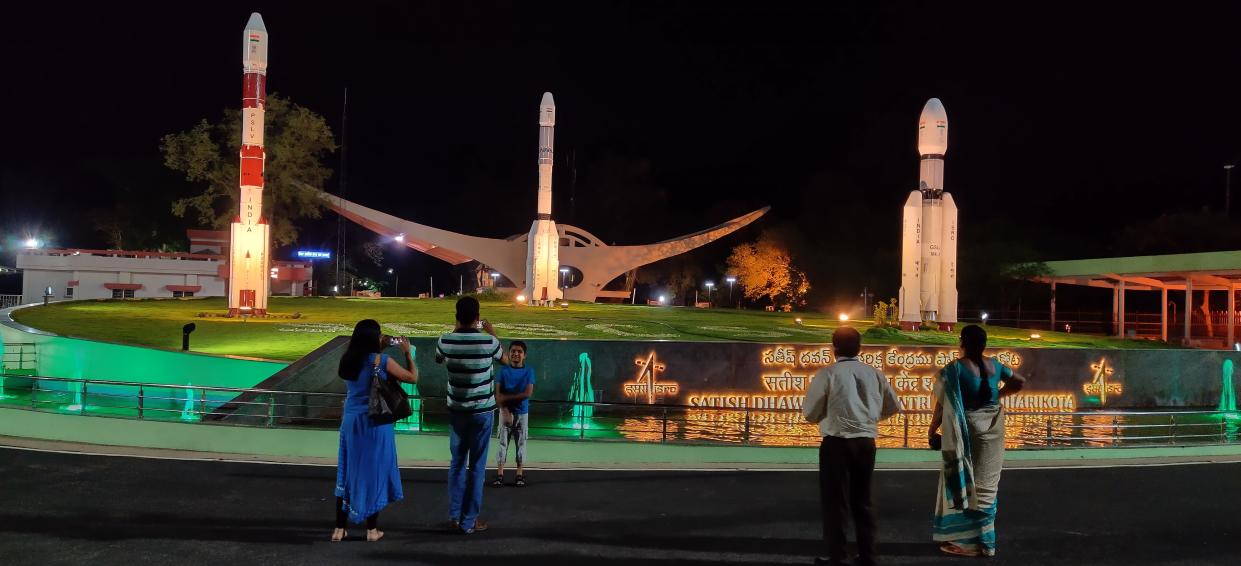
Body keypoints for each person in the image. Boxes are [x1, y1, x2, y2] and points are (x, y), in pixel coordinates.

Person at [803, 326, 901, 566]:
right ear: (860, 348)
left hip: (836, 443)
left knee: (835, 501)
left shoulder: (828, 374)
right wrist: (869, 417)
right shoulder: (874, 373)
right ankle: (867, 554)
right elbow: (893, 405)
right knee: (863, 499)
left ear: (833, 347)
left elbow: (810, 412)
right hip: (866, 442)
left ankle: (836, 554)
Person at [928, 324, 1026, 558]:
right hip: (994, 428)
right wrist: (998, 395)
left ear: (962, 342)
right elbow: (1019, 381)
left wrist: (932, 430)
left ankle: (968, 543)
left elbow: (943, 403)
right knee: (987, 485)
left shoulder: (955, 369)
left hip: (968, 429)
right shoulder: (996, 366)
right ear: (984, 344)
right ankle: (985, 541)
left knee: (967, 482)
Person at [332, 319, 418, 542]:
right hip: (376, 423)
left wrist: (380, 347)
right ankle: (372, 530)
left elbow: (366, 364)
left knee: (348, 471)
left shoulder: (347, 360)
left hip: (351, 422)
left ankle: (339, 529)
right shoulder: (383, 361)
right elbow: (412, 377)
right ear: (374, 338)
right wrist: (408, 353)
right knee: (375, 473)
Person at [435, 296, 507, 534]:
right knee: (476, 467)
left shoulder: (444, 341)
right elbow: (505, 360)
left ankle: (455, 516)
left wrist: (457, 328)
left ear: (456, 315)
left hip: (457, 411)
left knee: (457, 464)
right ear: (477, 317)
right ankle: (469, 522)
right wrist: (492, 331)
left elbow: (439, 360)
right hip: (482, 413)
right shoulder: (488, 342)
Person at [492, 340, 535, 487]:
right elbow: (498, 395)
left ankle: (519, 475)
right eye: (513, 351)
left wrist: (506, 399)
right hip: (505, 413)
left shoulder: (529, 371)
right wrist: (504, 410)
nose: (516, 354)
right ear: (509, 353)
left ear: (524, 355)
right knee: (502, 444)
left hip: (522, 414)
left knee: (521, 443)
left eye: (519, 351)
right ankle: (500, 475)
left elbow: (528, 393)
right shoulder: (503, 371)